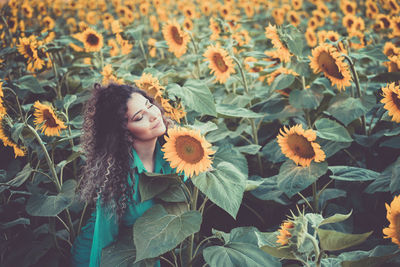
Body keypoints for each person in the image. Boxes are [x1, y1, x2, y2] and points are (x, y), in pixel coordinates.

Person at [71, 83, 174, 267]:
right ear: (124, 133)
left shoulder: (173, 154)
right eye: (139, 117)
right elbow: (103, 244)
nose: (153, 115)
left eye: (149, 105)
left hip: (148, 252)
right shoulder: (117, 181)